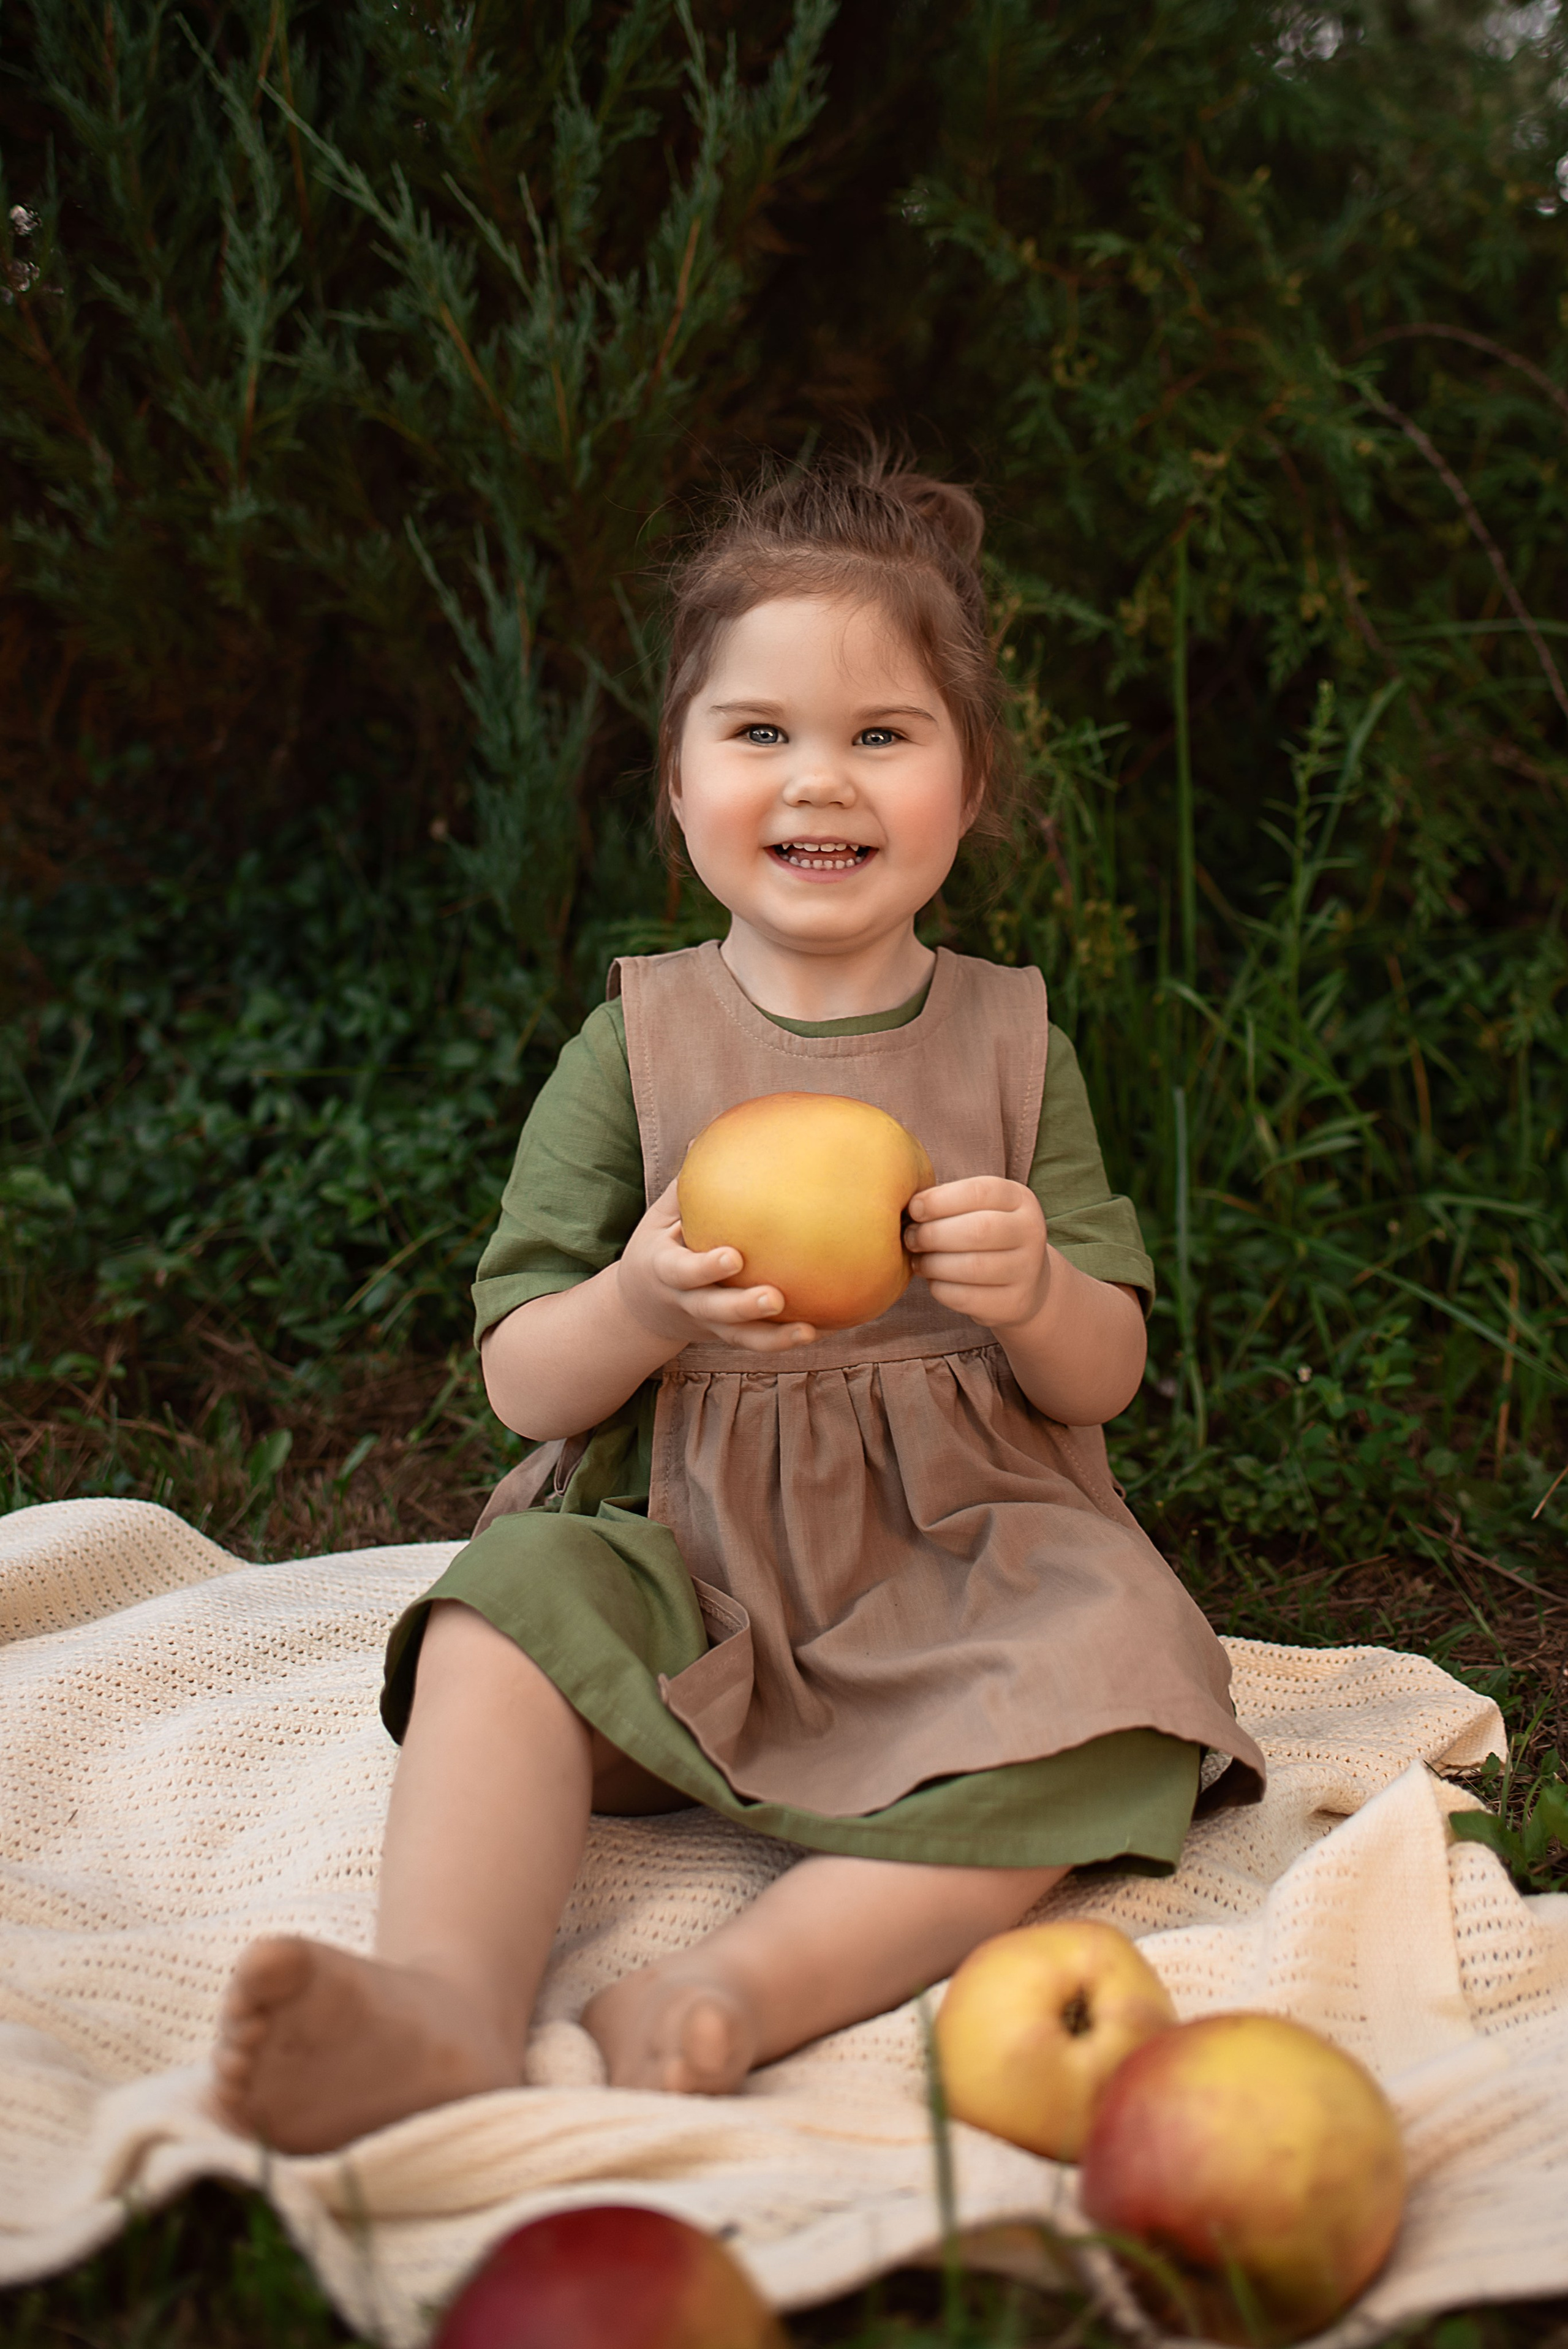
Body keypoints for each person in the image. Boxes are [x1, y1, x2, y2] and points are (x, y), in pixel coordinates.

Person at [213, 454, 1264, 2156]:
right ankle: (444, 2002)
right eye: (760, 731)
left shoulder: (1010, 1042)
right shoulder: (635, 1047)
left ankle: (733, 1993)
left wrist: (1037, 1291)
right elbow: (524, 1381)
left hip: (957, 1565)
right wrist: (640, 1297)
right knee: (502, 1608)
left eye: (882, 733)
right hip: (684, 1571)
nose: (817, 777)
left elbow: (1106, 1376)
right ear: (681, 786)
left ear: (970, 779)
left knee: (1133, 1664)